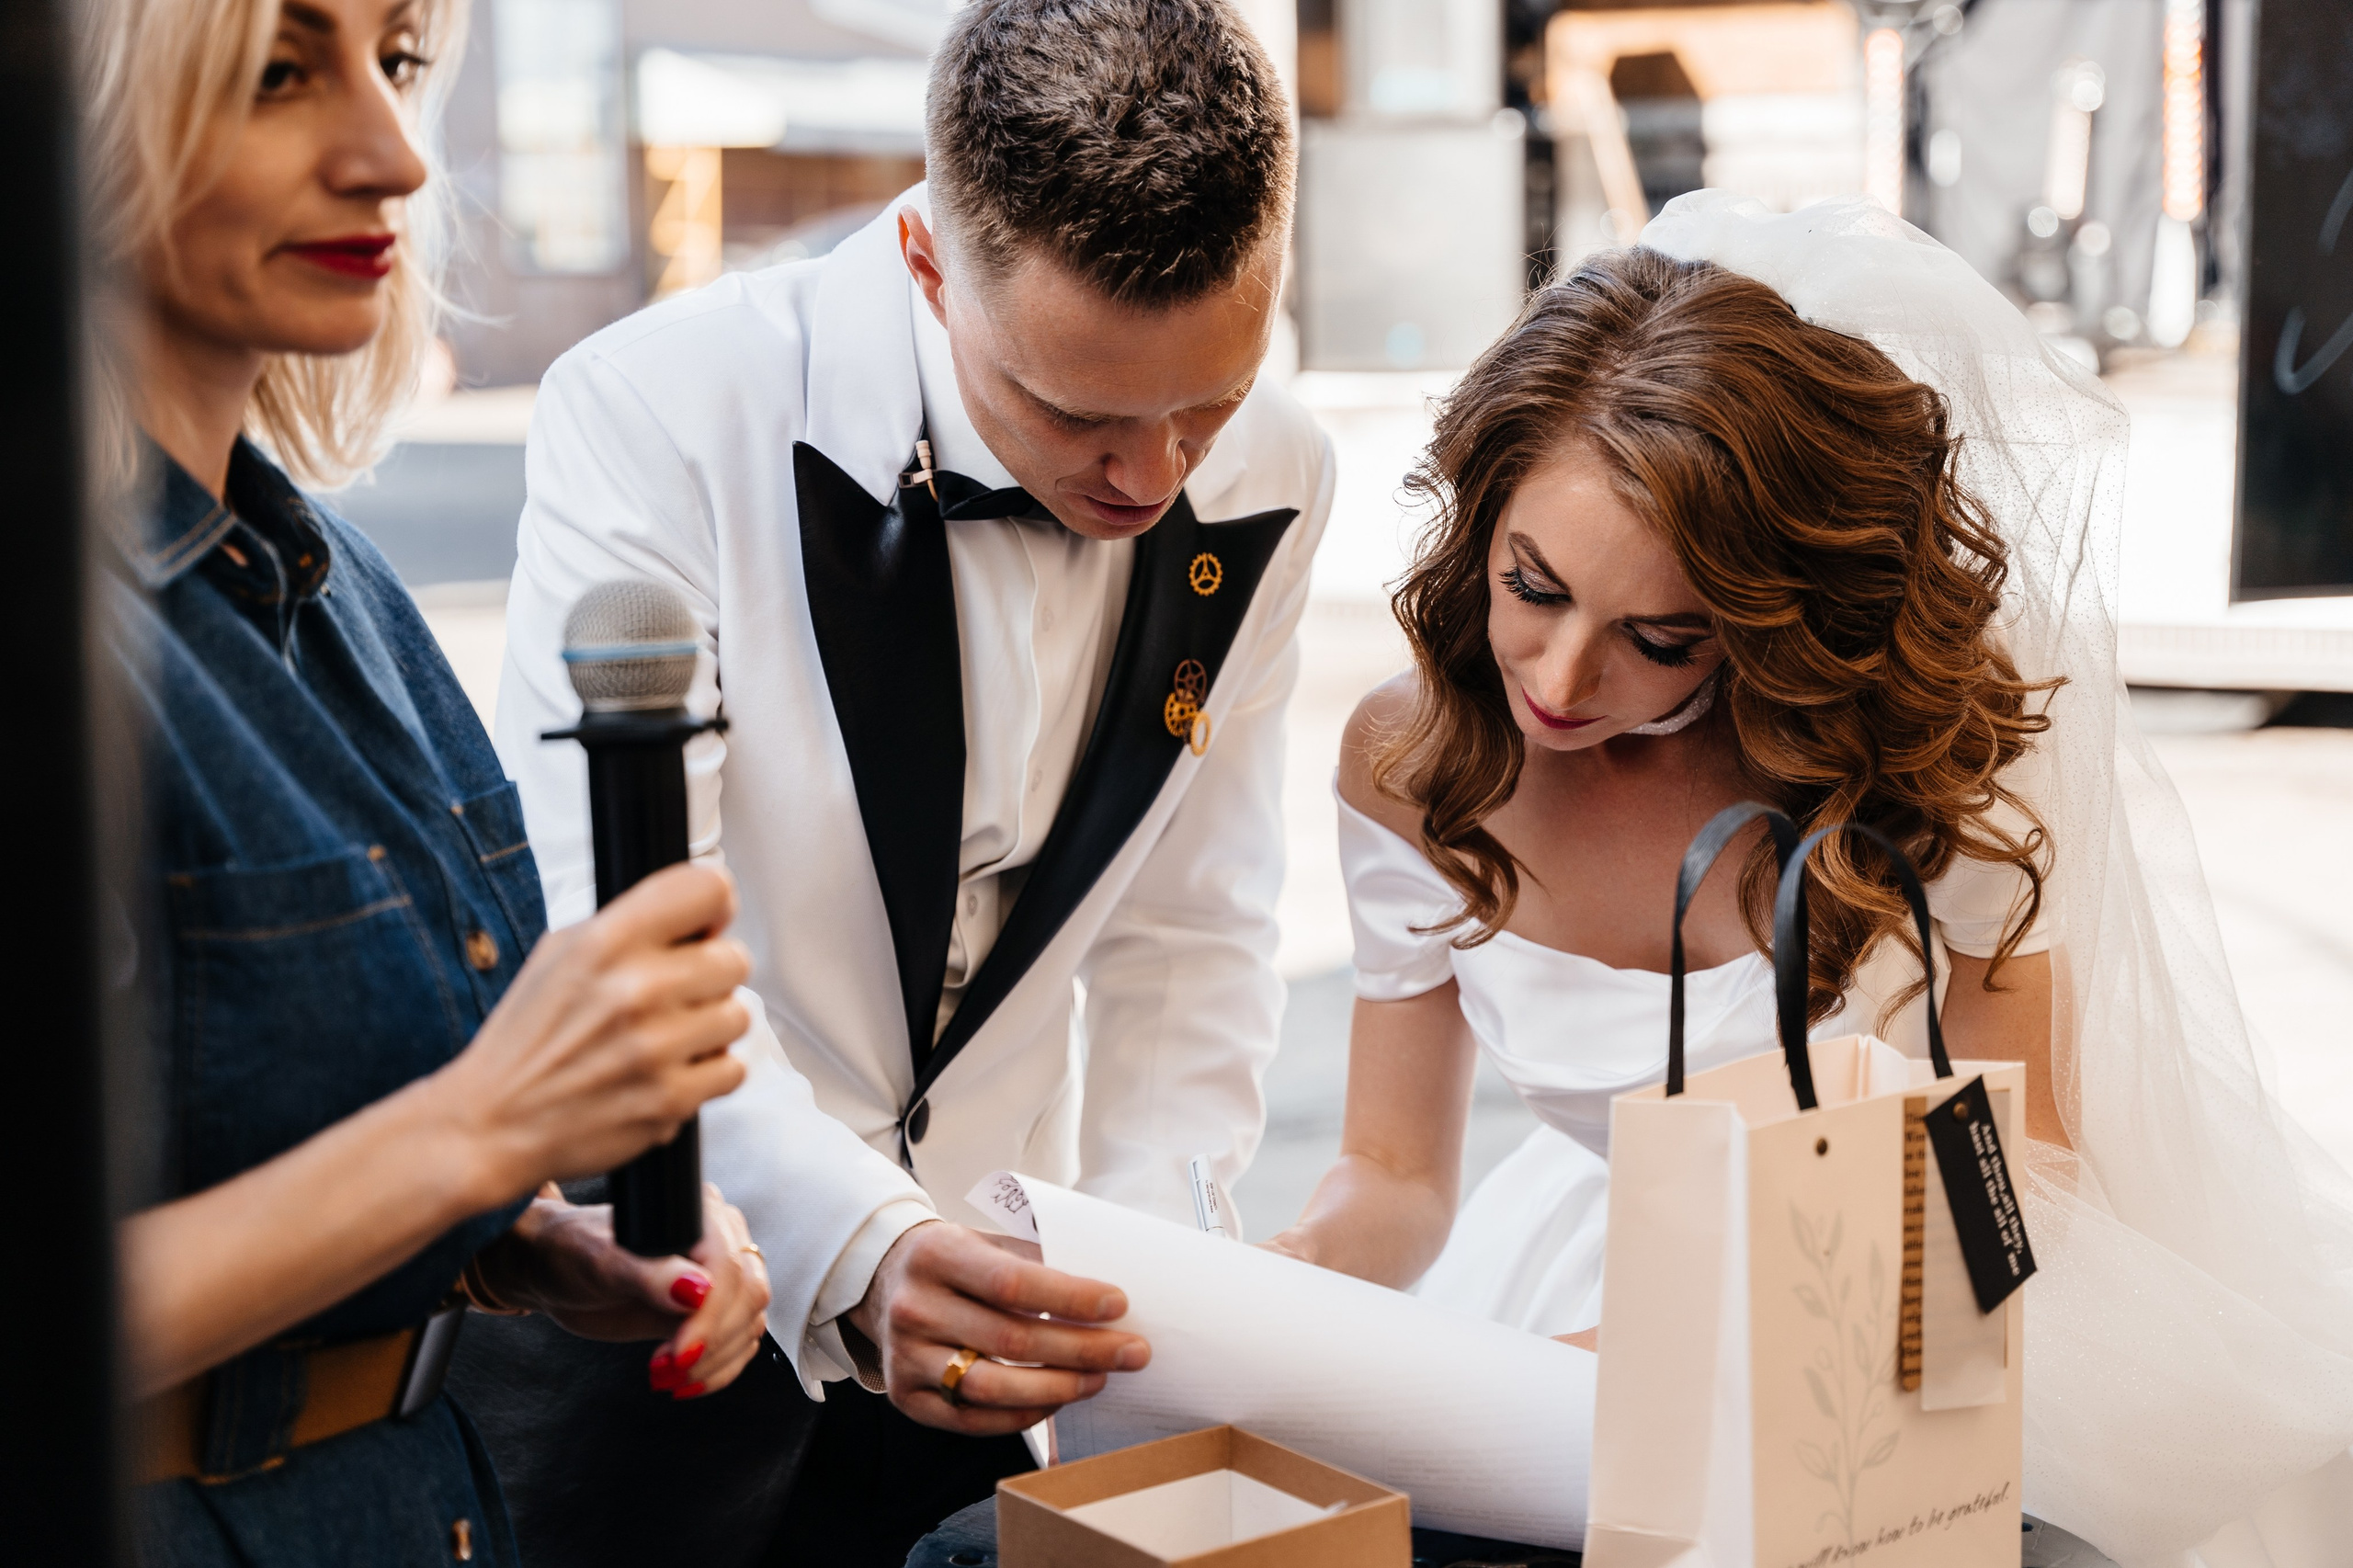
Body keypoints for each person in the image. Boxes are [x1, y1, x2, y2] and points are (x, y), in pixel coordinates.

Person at [1272, 194, 2353, 1565]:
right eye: (1530, 584)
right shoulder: (1406, 757)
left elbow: (2015, 1196)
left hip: (1887, 1309)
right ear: (1477, 519)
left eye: (1658, 636)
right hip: (1565, 1286)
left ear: (1762, 614)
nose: (1557, 680)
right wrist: (1291, 1275)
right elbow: (1390, 1171)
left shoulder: (1921, 768)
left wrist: (1706, 1347)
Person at [461, 0, 1332, 1561]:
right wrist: (858, 1243)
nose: (1157, 476)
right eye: (1077, 410)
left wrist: (1145, 1296)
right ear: (927, 260)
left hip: (1013, 1307)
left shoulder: (1282, 470)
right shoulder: (656, 409)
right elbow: (613, 924)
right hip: (670, 1282)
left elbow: (1193, 934)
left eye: (1207, 400)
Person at [88, 1, 774, 1562]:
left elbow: (260, 1132)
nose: (395, 152)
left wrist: (516, 1248)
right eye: (277, 71)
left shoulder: (350, 600)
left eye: (396, 62)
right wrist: (485, 1128)